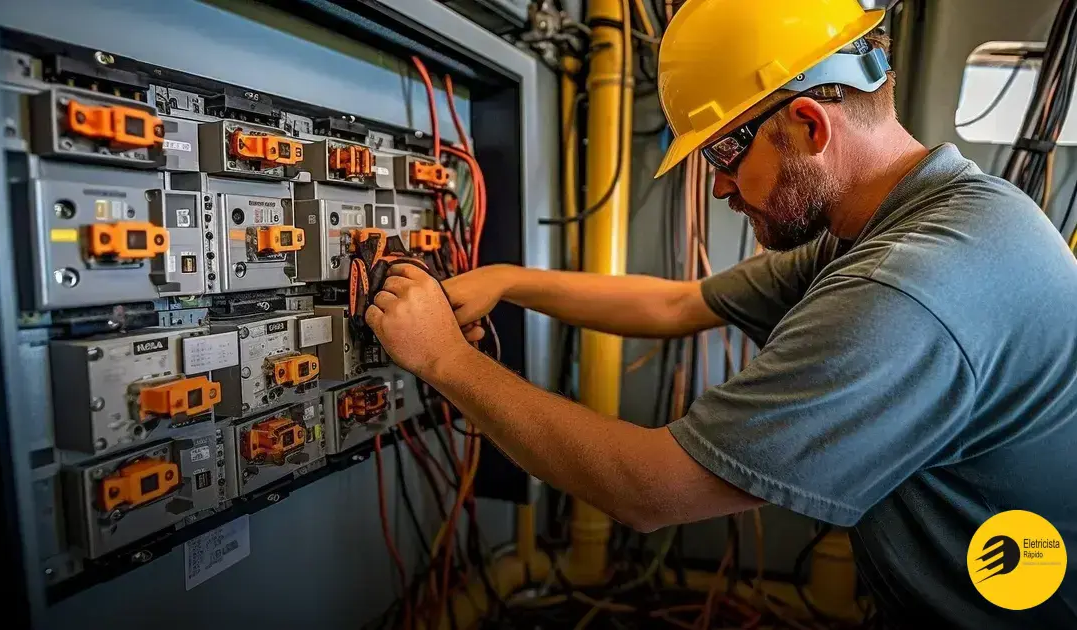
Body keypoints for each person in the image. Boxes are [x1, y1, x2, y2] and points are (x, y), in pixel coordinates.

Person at [365, 0, 1077, 626]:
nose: (719, 189)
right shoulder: (904, 220)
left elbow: (650, 490)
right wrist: (512, 280)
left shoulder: (908, 284)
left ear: (806, 125)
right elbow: (676, 303)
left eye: (721, 155)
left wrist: (444, 360)